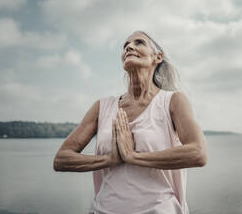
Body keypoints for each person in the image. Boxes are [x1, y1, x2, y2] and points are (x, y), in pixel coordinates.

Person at [53, 30, 207, 214]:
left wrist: (132, 156)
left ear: (157, 57)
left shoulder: (172, 101)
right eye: (125, 45)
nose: (129, 47)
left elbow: (198, 153)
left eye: (139, 43)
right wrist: (109, 160)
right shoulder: (102, 107)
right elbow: (61, 159)